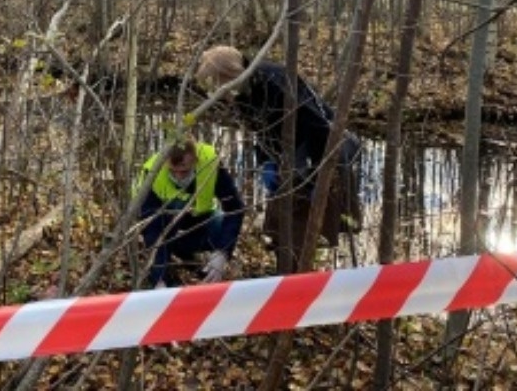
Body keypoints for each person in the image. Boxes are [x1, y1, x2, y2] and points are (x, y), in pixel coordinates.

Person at [194, 45, 361, 264]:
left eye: (220, 88)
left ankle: (301, 280)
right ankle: (288, 275)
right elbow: (263, 132)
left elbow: (319, 128)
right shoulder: (244, 93)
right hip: (287, 161)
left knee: (304, 233)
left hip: (322, 157)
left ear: (230, 76)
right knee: (281, 233)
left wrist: (316, 177)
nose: (221, 96)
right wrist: (265, 162)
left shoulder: (276, 82)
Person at [136, 136, 244, 288]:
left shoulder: (210, 163)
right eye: (173, 171)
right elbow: (152, 230)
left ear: (195, 160)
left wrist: (223, 252)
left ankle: (200, 260)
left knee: (221, 225)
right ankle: (170, 266)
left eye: (184, 171)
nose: (179, 176)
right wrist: (159, 278)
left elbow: (235, 208)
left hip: (202, 220)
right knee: (159, 243)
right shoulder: (152, 172)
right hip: (167, 228)